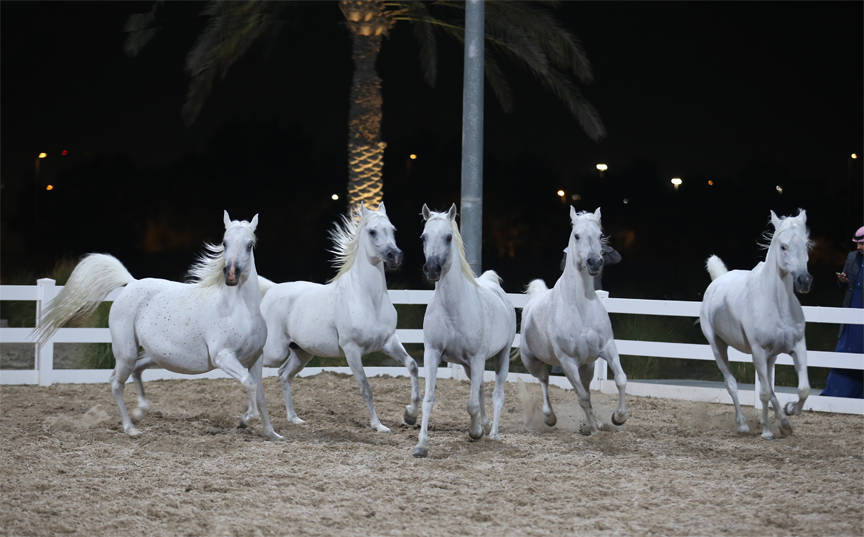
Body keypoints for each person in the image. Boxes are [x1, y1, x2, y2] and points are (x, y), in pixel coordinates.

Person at [821, 225, 864, 398]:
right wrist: (843, 280)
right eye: (857, 244)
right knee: (846, 348)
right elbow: (843, 285)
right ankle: (839, 391)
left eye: (862, 244)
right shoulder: (852, 257)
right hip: (852, 305)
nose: (858, 247)